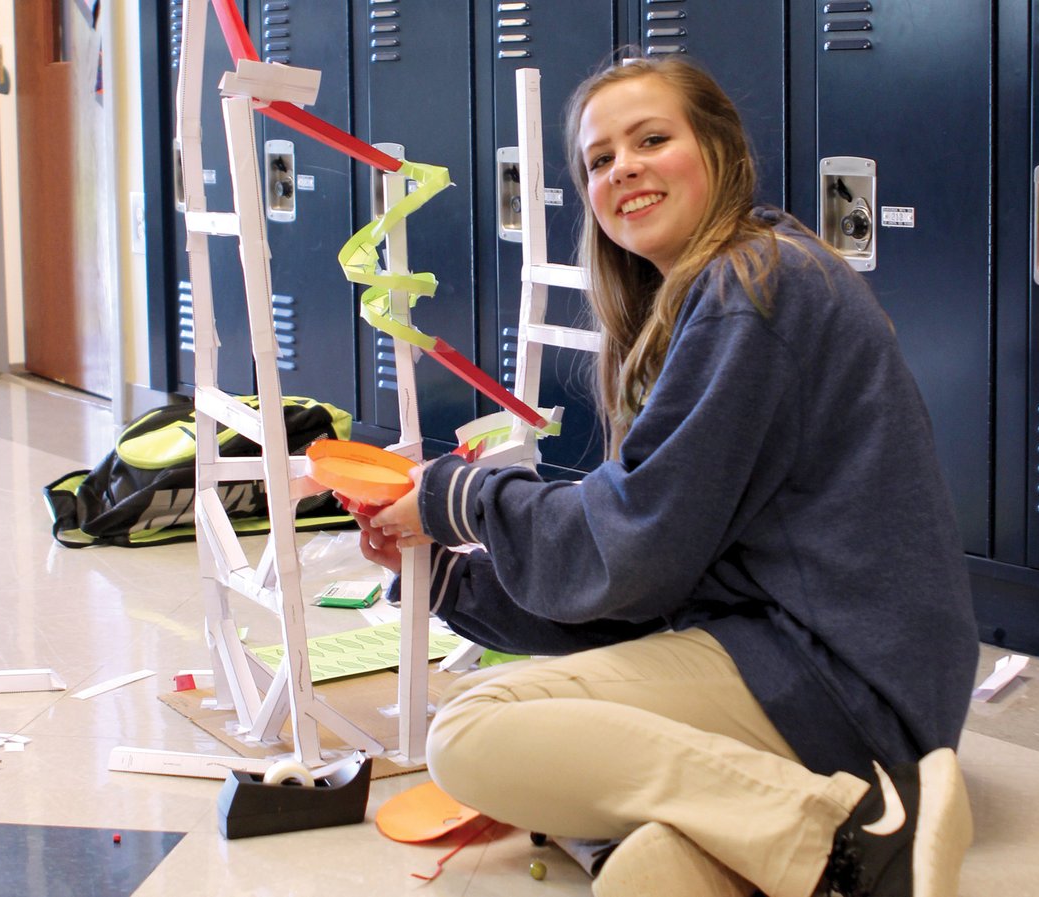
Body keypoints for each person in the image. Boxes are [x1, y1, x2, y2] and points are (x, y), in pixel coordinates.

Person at [348, 54, 978, 897]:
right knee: (640, 872)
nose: (624, 169)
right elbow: (647, 582)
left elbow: (632, 543)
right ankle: (769, 832)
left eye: (651, 140)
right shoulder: (712, 296)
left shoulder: (756, 285)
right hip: (807, 666)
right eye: (599, 159)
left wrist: (450, 498)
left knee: (468, 731)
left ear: (721, 151)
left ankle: (849, 836)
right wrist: (449, 581)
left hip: (839, 684)